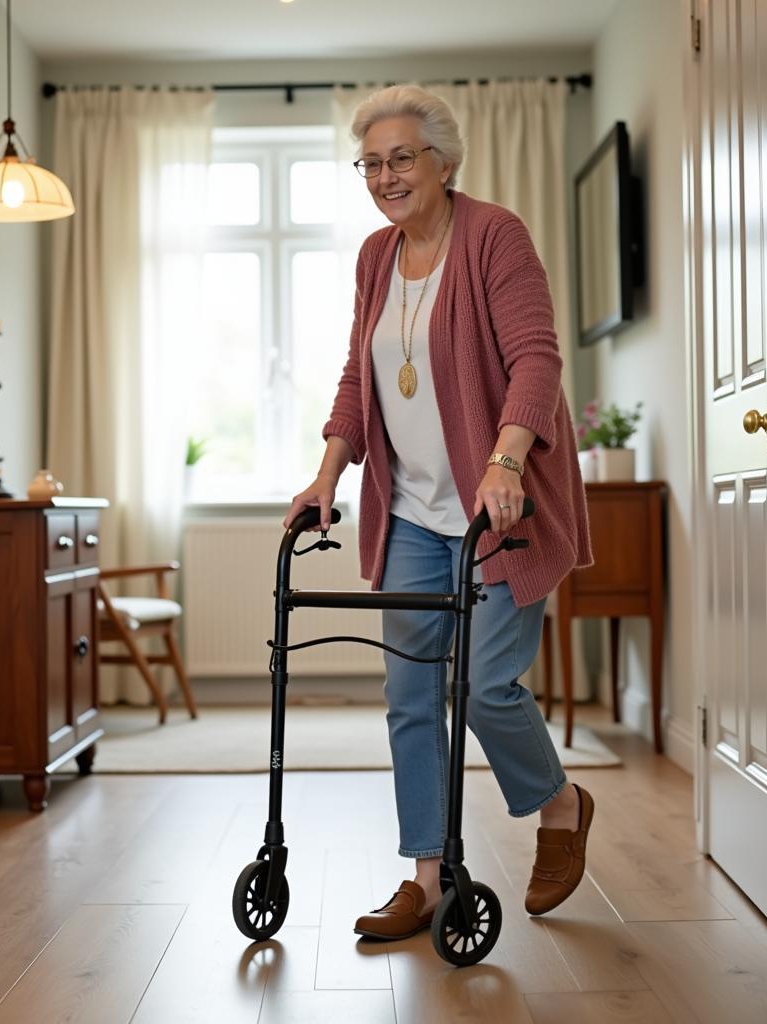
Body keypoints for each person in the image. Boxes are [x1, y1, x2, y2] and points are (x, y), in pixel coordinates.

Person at [283, 84, 594, 941]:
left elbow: (537, 359)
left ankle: (562, 806)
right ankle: (426, 873)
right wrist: (326, 477)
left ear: (444, 163)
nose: (385, 176)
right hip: (416, 512)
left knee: (485, 687)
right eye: (372, 162)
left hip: (502, 507)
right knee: (411, 693)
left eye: (402, 159)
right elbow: (360, 379)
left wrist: (505, 461)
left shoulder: (496, 236)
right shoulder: (374, 257)